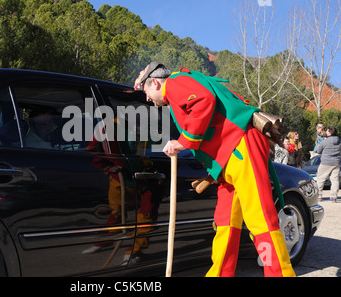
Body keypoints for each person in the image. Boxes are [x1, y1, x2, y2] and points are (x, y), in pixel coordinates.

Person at [134, 62, 295, 277]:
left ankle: (281, 274)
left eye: (146, 92)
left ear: (155, 82)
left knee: (260, 219)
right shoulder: (175, 93)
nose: (147, 99)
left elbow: (203, 100)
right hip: (227, 159)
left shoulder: (174, 82)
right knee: (225, 223)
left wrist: (182, 142)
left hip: (240, 146)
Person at [315, 126, 341, 202]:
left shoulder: (324, 142)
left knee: (320, 179)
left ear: (329, 133)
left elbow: (318, 151)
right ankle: (334, 197)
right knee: (335, 180)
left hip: (325, 162)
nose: (326, 132)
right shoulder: (339, 141)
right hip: (336, 162)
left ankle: (319, 196)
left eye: (327, 131)